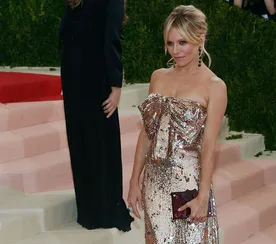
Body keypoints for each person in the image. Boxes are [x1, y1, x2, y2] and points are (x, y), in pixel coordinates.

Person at [127, 5, 226, 243]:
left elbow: (209, 147)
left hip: (189, 182)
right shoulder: (158, 77)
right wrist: (134, 180)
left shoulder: (215, 86)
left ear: (200, 39)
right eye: (170, 43)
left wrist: (203, 195)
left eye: (183, 43)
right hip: (155, 182)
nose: (175, 51)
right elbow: (147, 135)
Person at [59, 0, 133, 232]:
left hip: (72, 72)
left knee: (81, 136)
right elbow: (112, 36)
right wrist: (116, 83)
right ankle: (105, 209)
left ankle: (89, 209)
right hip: (97, 72)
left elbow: (64, 31)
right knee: (102, 138)